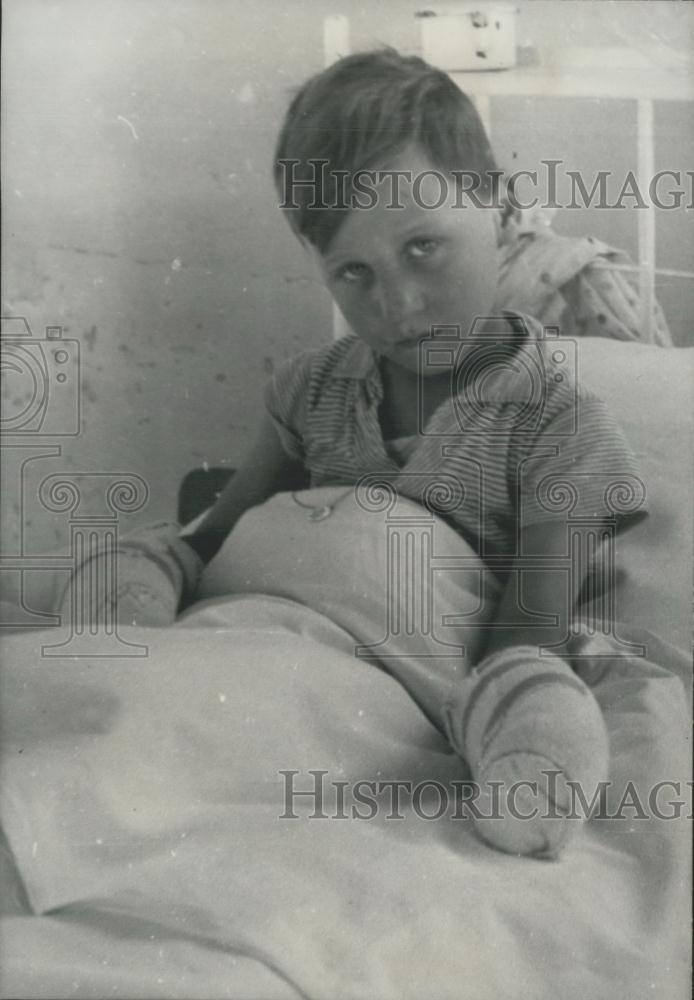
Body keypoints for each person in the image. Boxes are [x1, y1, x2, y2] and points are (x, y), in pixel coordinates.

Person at [60, 52, 649, 854]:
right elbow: (208, 544)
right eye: (353, 272)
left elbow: (526, 643)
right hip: (237, 642)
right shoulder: (309, 391)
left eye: (423, 249)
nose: (396, 305)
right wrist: (136, 585)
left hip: (381, 699)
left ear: (501, 210)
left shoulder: (557, 424)